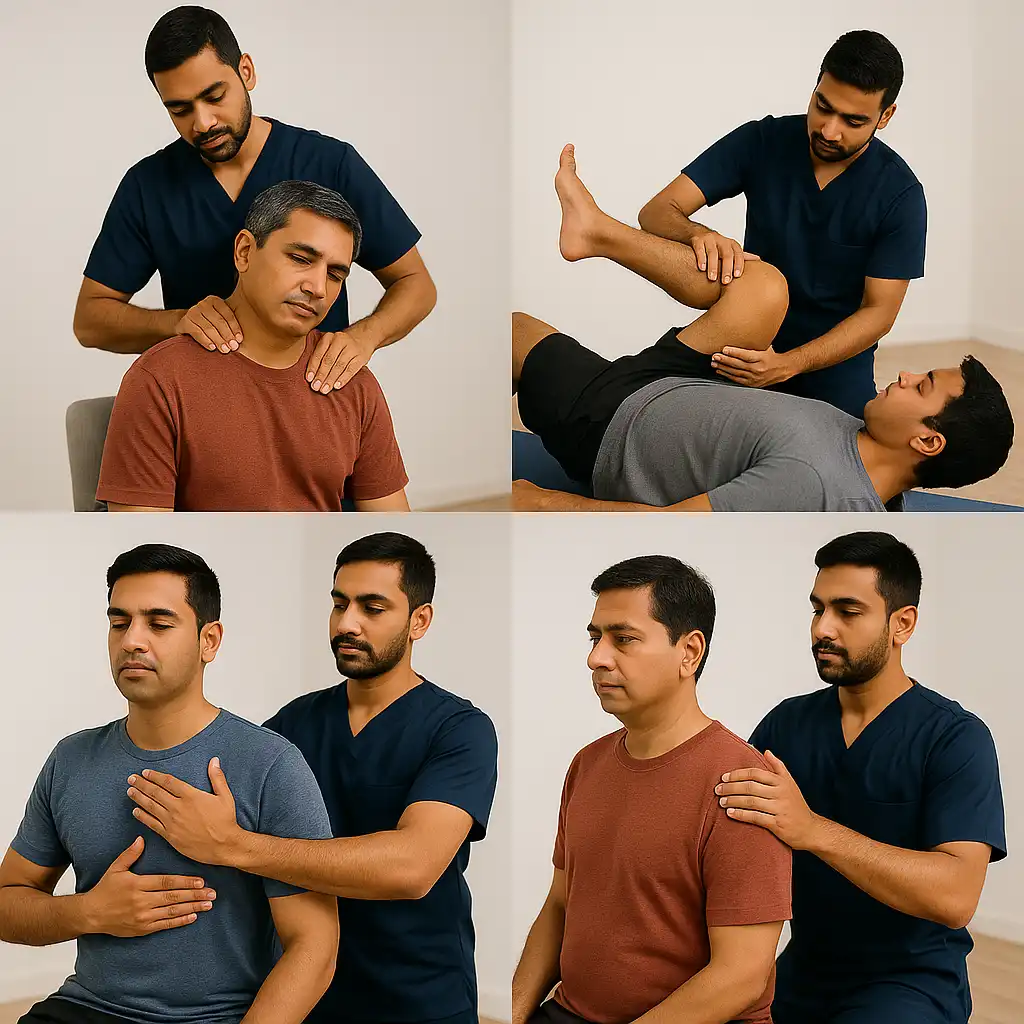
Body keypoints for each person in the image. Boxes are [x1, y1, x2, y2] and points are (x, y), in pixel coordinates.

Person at [123, 532, 499, 1024]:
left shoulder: (460, 729)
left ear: (419, 621)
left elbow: (412, 868)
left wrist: (234, 844)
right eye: (339, 604)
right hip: (300, 994)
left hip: (418, 996)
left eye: (373, 608)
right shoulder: (291, 725)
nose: (347, 624)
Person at [511, 149, 1012, 512]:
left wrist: (538, 504)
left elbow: (671, 527)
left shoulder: (813, 484)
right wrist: (702, 236)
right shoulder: (860, 439)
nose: (904, 375)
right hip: (687, 379)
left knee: (511, 335)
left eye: (921, 386)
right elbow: (659, 211)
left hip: (612, 424)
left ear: (927, 441)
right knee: (765, 286)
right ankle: (597, 231)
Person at [0, 544, 338, 1024]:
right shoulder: (70, 759)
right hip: (84, 1007)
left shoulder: (269, 764)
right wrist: (89, 912)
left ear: (209, 640)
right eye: (120, 623)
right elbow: (7, 902)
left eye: (159, 623)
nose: (132, 640)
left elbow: (316, 949)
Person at [718, 532, 1006, 1023]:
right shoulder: (785, 725)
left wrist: (813, 831)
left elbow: (956, 896)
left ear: (903, 624)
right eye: (817, 609)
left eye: (847, 612)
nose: (822, 629)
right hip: (801, 973)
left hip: (908, 984)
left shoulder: (956, 738)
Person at [74, 5, 435, 394]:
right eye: (179, 109)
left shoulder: (330, 164)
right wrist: (176, 322)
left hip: (314, 398)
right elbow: (91, 319)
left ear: (246, 72)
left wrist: (362, 338)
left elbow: (416, 284)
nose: (202, 122)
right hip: (206, 406)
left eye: (214, 96)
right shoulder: (148, 187)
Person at [512, 556, 792, 1024]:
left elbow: (742, 975)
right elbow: (559, 904)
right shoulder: (587, 763)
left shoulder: (742, 783)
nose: (596, 657)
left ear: (689, 652)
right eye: (594, 638)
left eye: (623, 639)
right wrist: (516, 1013)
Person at [639, 30, 924, 417]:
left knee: (842, 465)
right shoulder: (763, 141)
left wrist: (790, 364)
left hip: (833, 368)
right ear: (816, 85)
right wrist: (699, 235)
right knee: (668, 425)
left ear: (885, 116)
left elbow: (879, 313)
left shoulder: (900, 194)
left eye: (853, 121)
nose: (829, 130)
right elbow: (656, 211)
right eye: (823, 106)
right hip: (743, 342)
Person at [96, 180, 410, 512]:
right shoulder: (160, 379)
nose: (318, 287)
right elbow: (144, 544)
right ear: (244, 252)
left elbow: (392, 535)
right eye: (301, 258)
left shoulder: (353, 382)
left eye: (335, 274)